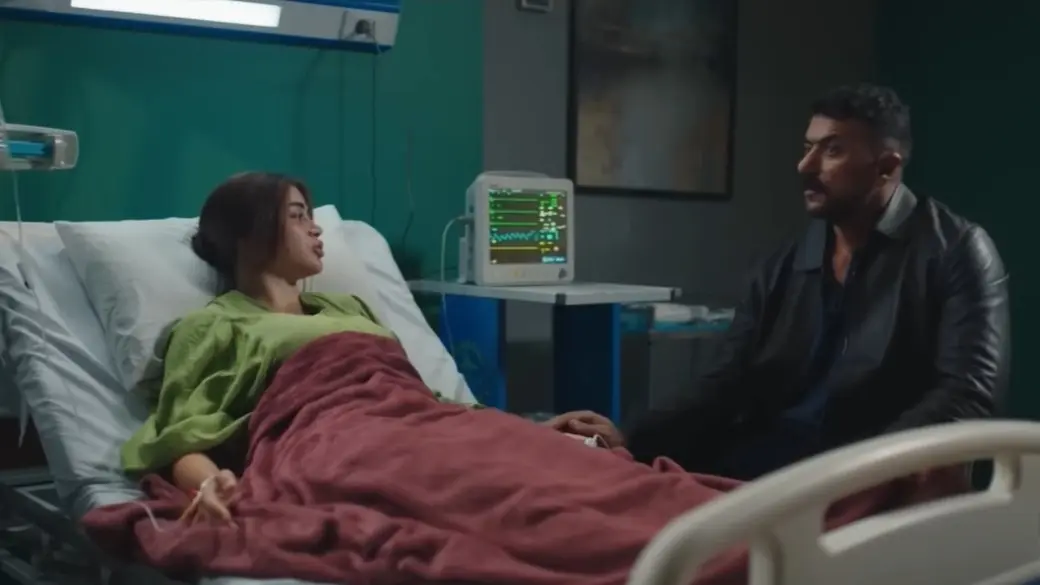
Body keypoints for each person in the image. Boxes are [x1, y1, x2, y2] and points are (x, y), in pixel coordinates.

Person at [551, 83, 1011, 480]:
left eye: (832, 150)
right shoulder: (784, 265)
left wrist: (865, 469)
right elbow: (724, 382)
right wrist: (630, 436)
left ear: (886, 167)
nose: (805, 166)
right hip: (762, 465)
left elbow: (968, 392)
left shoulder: (955, 251)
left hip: (861, 474)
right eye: (807, 147)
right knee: (597, 488)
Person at [121, 171, 588, 523]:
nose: (316, 229)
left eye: (311, 216)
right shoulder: (214, 324)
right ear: (249, 233)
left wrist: (523, 429)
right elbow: (178, 437)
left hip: (417, 426)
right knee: (495, 494)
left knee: (564, 470)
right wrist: (210, 484)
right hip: (334, 440)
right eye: (297, 216)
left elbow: (422, 399)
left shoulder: (347, 307)